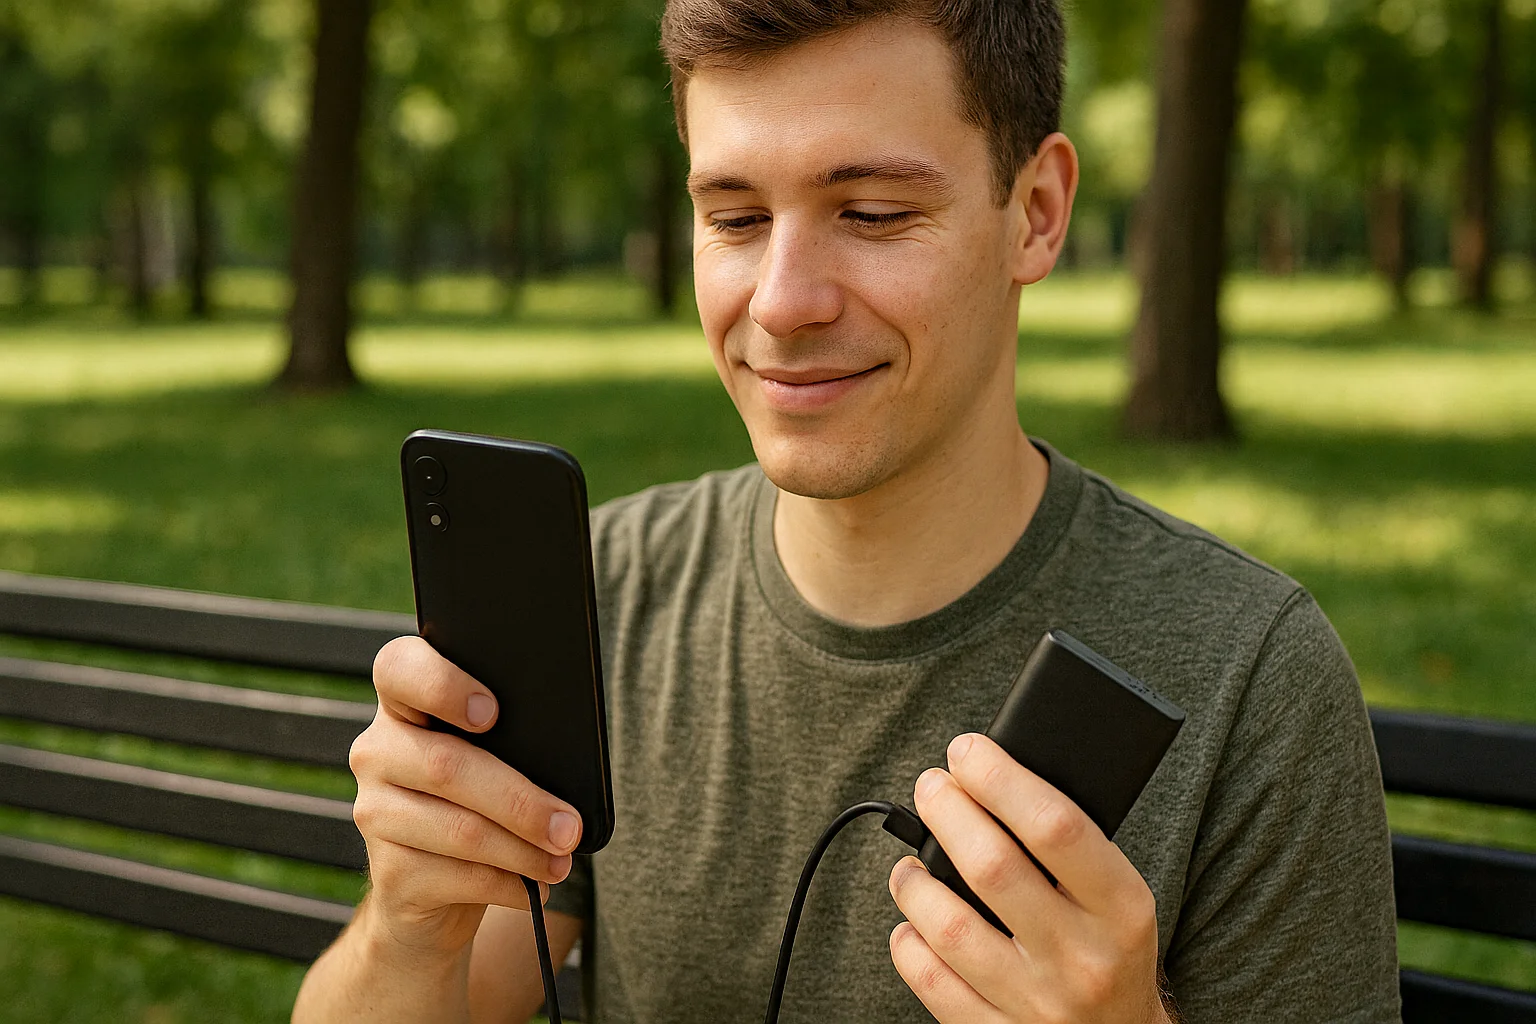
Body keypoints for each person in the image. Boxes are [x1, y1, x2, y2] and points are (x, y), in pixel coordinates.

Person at [292, 2, 1401, 1021]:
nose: (781, 302)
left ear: (1038, 212)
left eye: (870, 213)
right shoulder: (607, 590)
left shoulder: (1249, 674)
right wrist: (407, 923)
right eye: (733, 217)